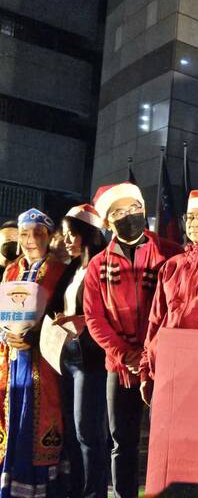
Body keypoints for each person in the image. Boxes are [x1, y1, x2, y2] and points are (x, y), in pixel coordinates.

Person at [82, 182, 181, 498]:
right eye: (119, 212)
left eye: (134, 208)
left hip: (164, 363)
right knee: (122, 441)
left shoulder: (170, 253)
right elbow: (94, 318)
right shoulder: (98, 265)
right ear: (107, 221)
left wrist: (152, 353)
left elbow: (179, 306)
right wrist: (125, 354)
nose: (129, 215)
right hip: (121, 365)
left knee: (166, 438)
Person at [140, 188, 198, 405]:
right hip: (165, 370)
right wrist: (145, 370)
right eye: (189, 217)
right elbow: (155, 321)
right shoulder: (172, 265)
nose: (193, 223)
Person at [0, 209, 67, 497]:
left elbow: (63, 315)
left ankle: (41, 487)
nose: (30, 240)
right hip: (14, 358)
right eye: (24, 234)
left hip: (45, 362)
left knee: (38, 418)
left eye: (37, 233)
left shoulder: (60, 271)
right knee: (14, 415)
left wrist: (36, 336)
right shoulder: (11, 270)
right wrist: (6, 334)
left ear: (49, 236)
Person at [49, 205, 109, 498]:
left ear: (90, 234)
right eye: (65, 234)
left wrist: (81, 320)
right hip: (67, 355)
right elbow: (55, 306)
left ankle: (94, 492)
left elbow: (109, 312)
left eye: (73, 234)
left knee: (88, 430)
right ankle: (75, 489)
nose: (67, 240)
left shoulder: (105, 267)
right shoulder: (72, 269)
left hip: (91, 357)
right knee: (72, 431)